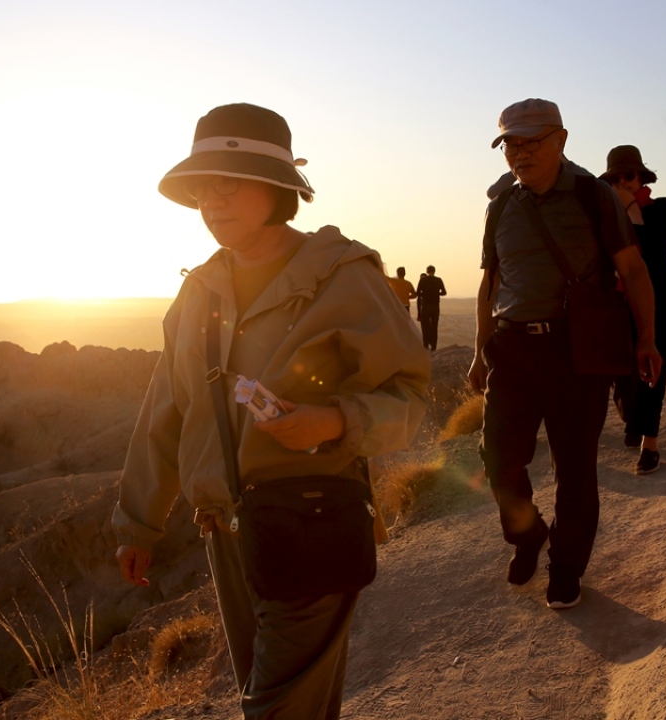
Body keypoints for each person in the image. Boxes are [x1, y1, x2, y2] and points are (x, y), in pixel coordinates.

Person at [112, 103, 429, 719]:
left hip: (312, 519)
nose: (212, 200)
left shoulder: (341, 275)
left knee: (276, 709)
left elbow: (409, 393)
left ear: (278, 188)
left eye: (228, 182)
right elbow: (166, 412)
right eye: (202, 186)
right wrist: (139, 523)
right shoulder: (199, 290)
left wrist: (336, 420)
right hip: (225, 531)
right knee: (284, 699)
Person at [468, 99, 660, 610]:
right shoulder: (501, 205)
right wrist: (479, 352)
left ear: (562, 139)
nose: (520, 153)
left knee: (575, 467)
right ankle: (528, 535)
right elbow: (491, 281)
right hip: (511, 348)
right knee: (498, 460)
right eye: (511, 143)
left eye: (532, 142)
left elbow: (634, 270)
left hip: (576, 348)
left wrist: (646, 338)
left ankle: (566, 567)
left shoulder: (593, 195)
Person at [602, 146, 666, 476]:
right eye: (616, 178)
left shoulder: (661, 208)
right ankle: (633, 419)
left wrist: (629, 206)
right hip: (618, 307)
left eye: (629, 175)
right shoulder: (606, 216)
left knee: (653, 373)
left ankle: (651, 443)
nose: (623, 182)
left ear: (641, 177)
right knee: (622, 374)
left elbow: (650, 246)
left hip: (656, 301)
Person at [415, 265, 447, 351]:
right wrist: (436, 294)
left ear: (427, 271)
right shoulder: (438, 280)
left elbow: (418, 292)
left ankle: (426, 345)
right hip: (435, 305)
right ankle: (434, 346)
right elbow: (444, 292)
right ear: (434, 271)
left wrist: (425, 294)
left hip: (425, 305)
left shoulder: (423, 280)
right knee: (434, 326)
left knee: (425, 326)